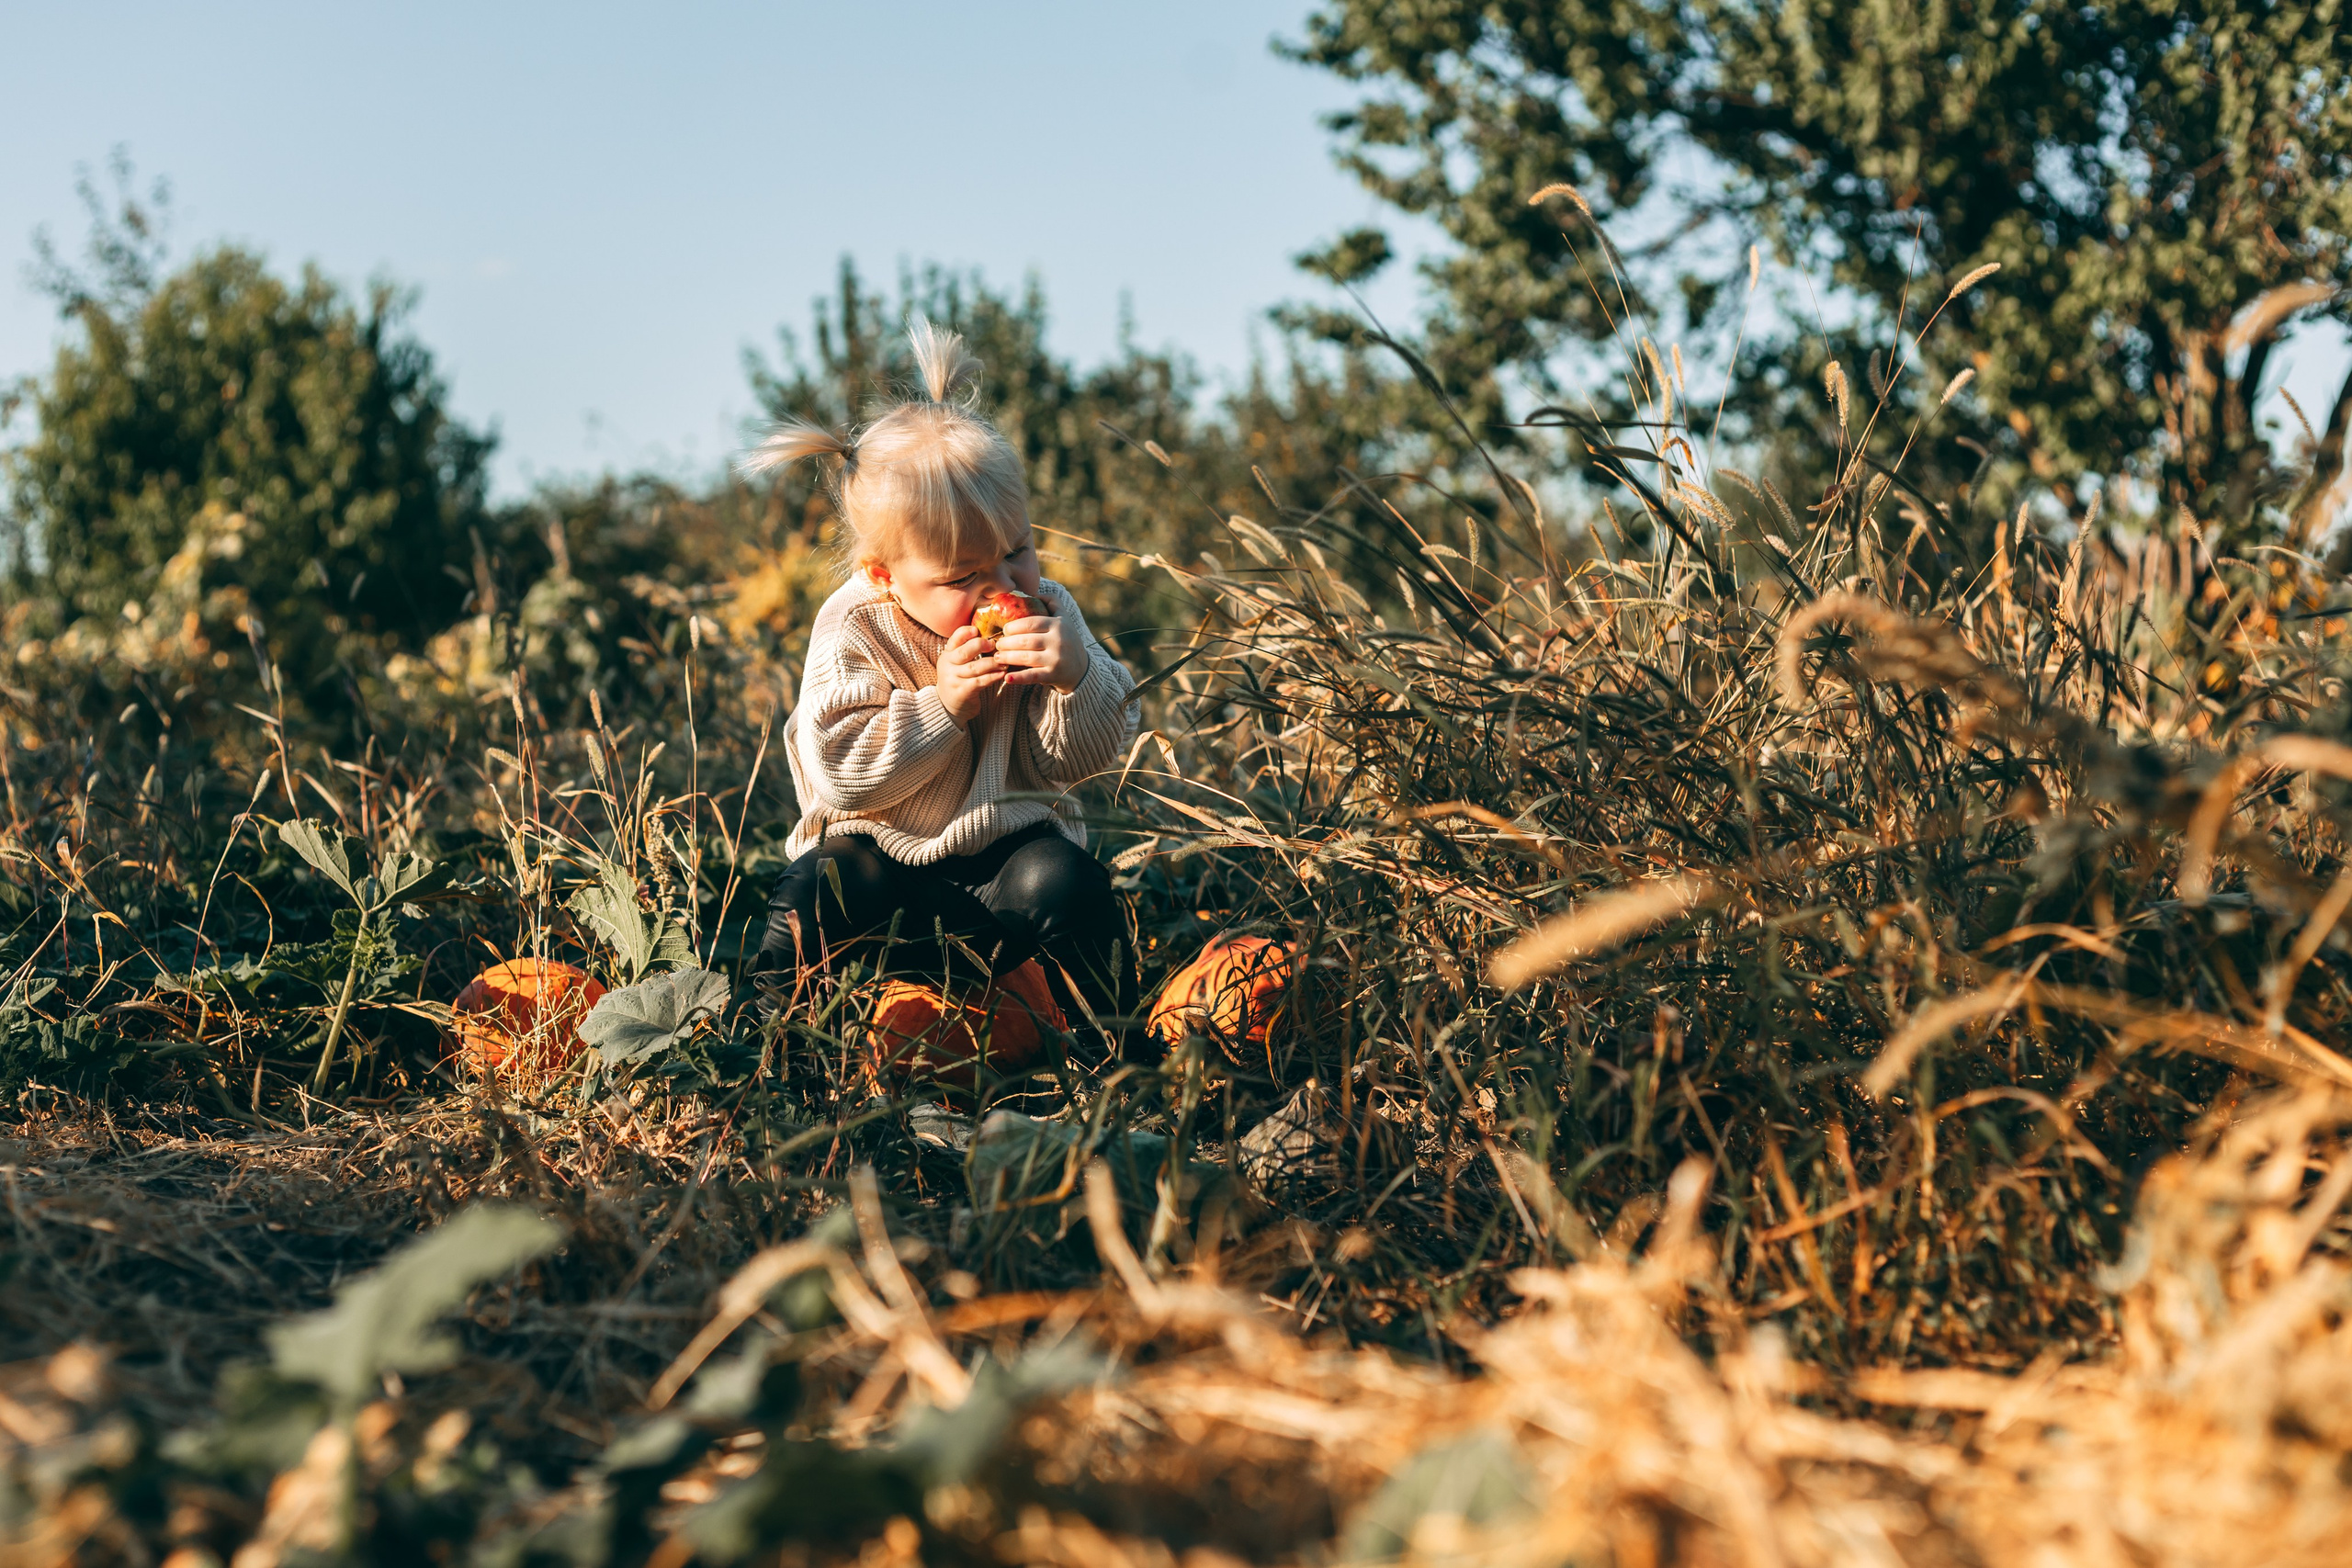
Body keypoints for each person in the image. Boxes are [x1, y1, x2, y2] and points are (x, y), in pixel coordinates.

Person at [742, 318, 1142, 1058]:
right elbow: (841, 772)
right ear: (885, 575)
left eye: (1017, 551)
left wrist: (1075, 677)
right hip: (883, 871)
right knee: (812, 891)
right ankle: (778, 1053)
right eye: (963, 575)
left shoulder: (1050, 613)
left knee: (1069, 882)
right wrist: (943, 707)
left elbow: (1086, 757)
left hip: (1004, 872)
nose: (1002, 585)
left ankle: (1115, 1049)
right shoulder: (855, 626)